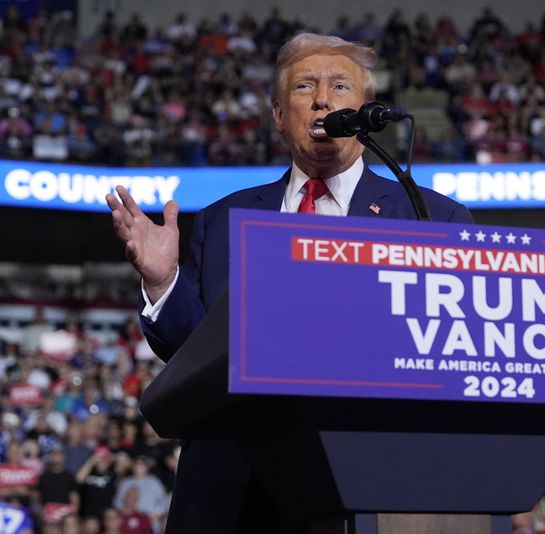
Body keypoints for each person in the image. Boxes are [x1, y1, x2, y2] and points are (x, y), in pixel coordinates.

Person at [106, 33, 471, 532]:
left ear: (364, 110)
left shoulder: (431, 217)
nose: (323, 98)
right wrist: (165, 281)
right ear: (279, 114)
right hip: (232, 492)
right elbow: (196, 356)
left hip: (369, 483)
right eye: (305, 86)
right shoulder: (222, 219)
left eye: (340, 86)